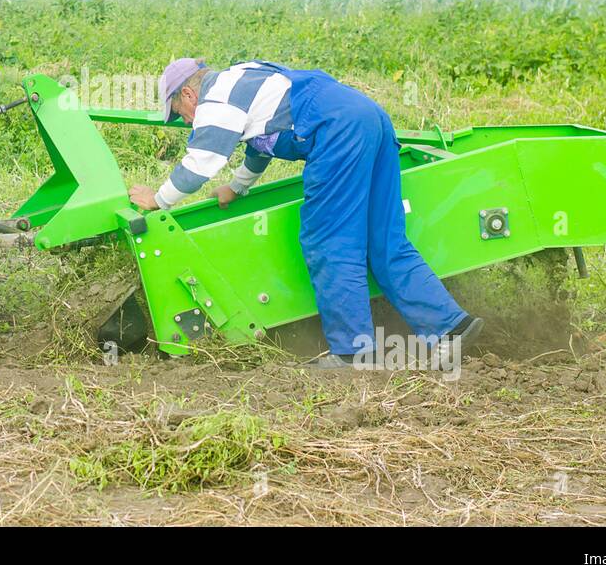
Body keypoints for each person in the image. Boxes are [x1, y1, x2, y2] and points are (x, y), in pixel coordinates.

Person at [128, 58, 483, 367]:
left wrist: (158, 200)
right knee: (384, 240)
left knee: (328, 241)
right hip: (368, 118)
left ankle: (353, 355)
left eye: (179, 113)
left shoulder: (215, 99)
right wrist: (237, 187)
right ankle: (450, 328)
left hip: (337, 133)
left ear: (188, 94)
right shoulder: (243, 78)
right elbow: (262, 142)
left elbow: (201, 163)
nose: (187, 121)